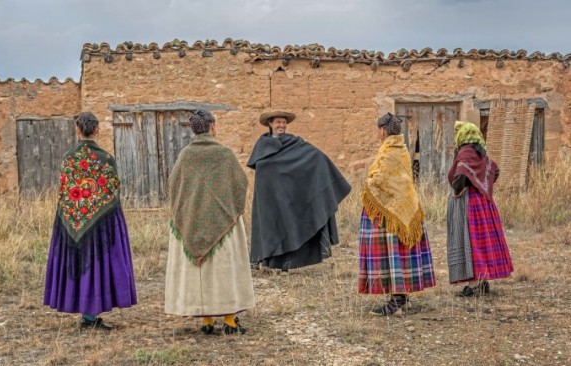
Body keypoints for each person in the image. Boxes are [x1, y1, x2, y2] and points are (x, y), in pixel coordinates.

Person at [43, 111, 137, 330]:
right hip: (100, 221)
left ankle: (88, 316)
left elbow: (65, 190)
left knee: (80, 264)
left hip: (72, 220)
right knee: (97, 264)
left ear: (78, 130)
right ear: (97, 130)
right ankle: (91, 315)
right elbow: (113, 188)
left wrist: (74, 214)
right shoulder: (105, 159)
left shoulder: (69, 158)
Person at [165, 109, 255, 335]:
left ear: (194, 129)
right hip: (223, 222)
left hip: (192, 220)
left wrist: (187, 211)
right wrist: (229, 209)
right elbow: (240, 183)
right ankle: (229, 321)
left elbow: (173, 185)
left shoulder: (185, 155)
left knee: (202, 272)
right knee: (223, 271)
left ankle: (206, 320)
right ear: (212, 126)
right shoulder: (224, 154)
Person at [247, 110, 351, 272]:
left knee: (288, 225)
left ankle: (285, 263)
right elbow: (262, 169)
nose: (281, 125)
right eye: (278, 122)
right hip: (269, 195)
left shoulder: (295, 143)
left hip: (289, 195)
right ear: (270, 124)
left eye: (284, 122)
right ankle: (258, 259)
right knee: (267, 225)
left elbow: (316, 157)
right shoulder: (262, 145)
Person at [358, 113, 436, 316]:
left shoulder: (389, 152)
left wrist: (368, 184)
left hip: (390, 212)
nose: (377, 133)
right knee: (401, 253)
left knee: (391, 253)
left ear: (382, 130)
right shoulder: (401, 149)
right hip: (405, 207)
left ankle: (397, 300)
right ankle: (402, 297)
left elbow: (381, 179)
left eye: (378, 129)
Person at [446, 121, 513, 297]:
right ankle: (482, 282)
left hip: (471, 205)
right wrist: (484, 185)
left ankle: (474, 285)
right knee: (482, 242)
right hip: (485, 204)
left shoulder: (465, 152)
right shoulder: (480, 153)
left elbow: (460, 176)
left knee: (471, 242)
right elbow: (494, 170)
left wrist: (459, 189)